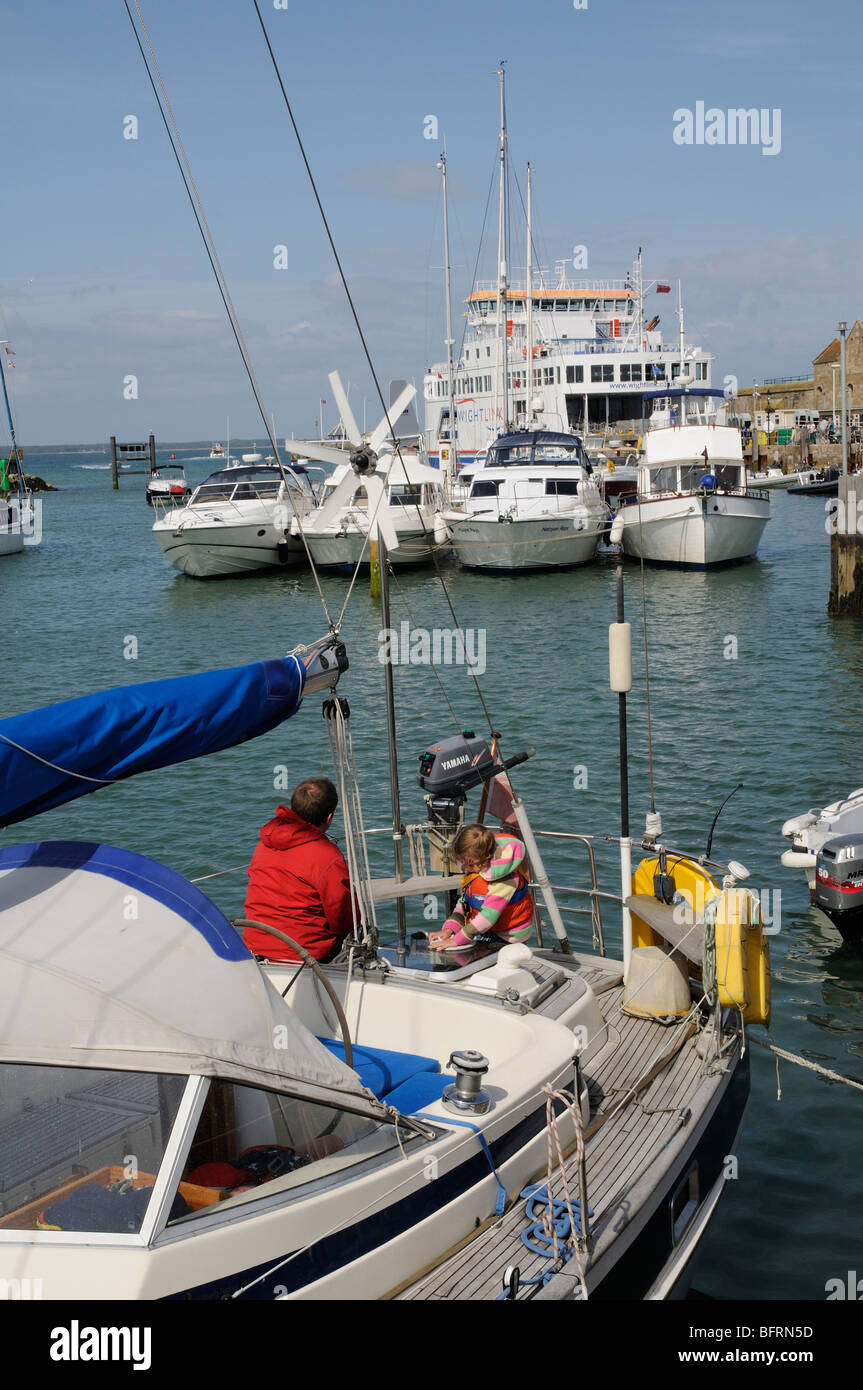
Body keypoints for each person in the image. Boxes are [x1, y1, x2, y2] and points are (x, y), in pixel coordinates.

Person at [243, 777, 358, 963]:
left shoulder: (265, 843)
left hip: (255, 948)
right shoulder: (327, 856)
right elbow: (343, 918)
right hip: (302, 956)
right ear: (329, 818)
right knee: (360, 937)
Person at [428, 824, 534, 951]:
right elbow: (466, 902)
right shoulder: (479, 869)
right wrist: (449, 929)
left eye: (469, 864)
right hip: (488, 929)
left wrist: (456, 940)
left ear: (485, 857)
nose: (465, 868)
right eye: (462, 862)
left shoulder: (504, 881)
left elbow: (488, 917)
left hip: (509, 936)